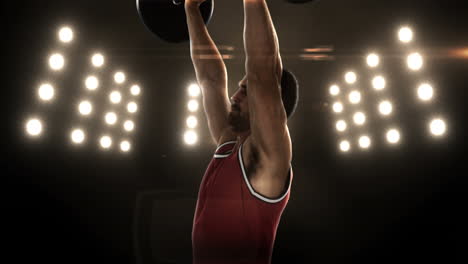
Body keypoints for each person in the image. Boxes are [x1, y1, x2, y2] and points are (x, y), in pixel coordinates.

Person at [185, 0, 299, 263]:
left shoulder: (268, 160)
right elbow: (210, 79)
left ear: (268, 103)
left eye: (245, 92)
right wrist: (191, 9)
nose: (234, 96)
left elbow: (263, 73)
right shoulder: (228, 143)